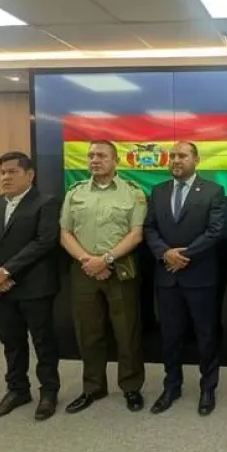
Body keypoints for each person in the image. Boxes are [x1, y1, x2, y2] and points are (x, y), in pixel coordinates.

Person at [59, 140, 147, 415]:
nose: (95, 160)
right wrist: (88, 261)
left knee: (126, 331)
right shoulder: (75, 193)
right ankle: (93, 387)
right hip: (84, 270)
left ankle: (131, 386)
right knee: (88, 333)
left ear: (115, 161)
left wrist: (105, 259)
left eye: (101, 156)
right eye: (91, 156)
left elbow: (136, 234)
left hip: (120, 269)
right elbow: (65, 234)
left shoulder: (132, 193)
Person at [0, 151, 61, 422]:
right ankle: (17, 390)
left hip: (34, 286)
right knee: (11, 343)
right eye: (3, 172)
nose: (6, 177)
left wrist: (7, 270)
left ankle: (49, 391)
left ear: (30, 174)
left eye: (12, 172)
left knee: (43, 342)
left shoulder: (46, 203)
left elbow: (44, 242)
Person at [143, 141, 226, 416]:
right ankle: (171, 387)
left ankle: (208, 389)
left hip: (200, 276)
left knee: (206, 336)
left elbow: (215, 231)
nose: (176, 160)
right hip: (166, 277)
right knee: (170, 336)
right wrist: (165, 253)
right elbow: (149, 229)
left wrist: (184, 255)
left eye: (182, 155)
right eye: (173, 156)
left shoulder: (214, 190)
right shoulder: (158, 191)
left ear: (196, 160)